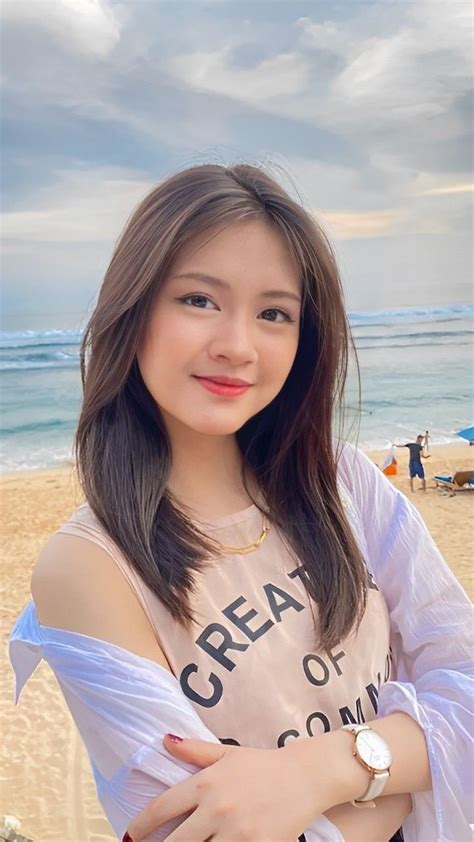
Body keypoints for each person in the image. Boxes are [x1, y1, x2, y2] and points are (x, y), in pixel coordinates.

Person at [9, 164, 472, 842]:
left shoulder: (343, 482)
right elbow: (193, 829)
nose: (236, 345)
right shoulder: (90, 568)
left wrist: (320, 772)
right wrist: (408, 771)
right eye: (198, 300)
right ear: (133, 310)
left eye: (274, 314)